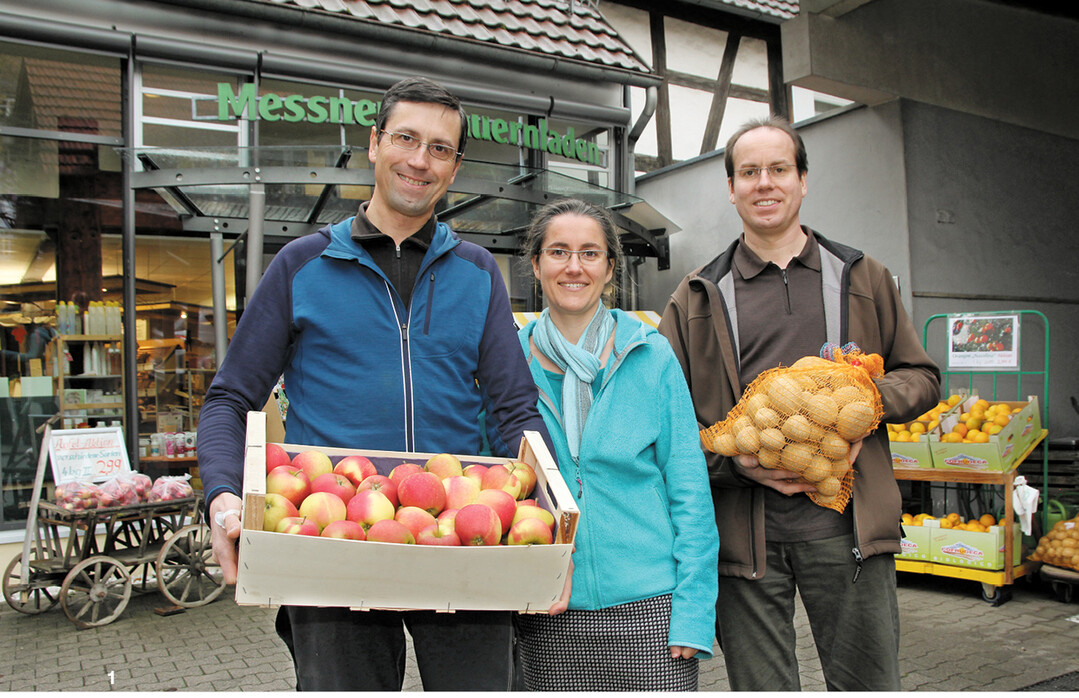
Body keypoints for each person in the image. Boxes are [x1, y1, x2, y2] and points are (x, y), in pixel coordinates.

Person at [197, 76, 550, 692]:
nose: (420, 160)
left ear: (456, 165)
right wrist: (223, 495)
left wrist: (550, 514)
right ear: (374, 143)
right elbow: (231, 397)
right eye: (406, 139)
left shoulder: (477, 271)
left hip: (462, 528)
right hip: (331, 535)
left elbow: (516, 405)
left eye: (440, 148)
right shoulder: (302, 265)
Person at [657, 117, 941, 691]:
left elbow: (923, 376)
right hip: (744, 546)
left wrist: (862, 401)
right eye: (749, 172)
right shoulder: (696, 296)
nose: (765, 183)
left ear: (803, 180)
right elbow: (666, 424)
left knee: (867, 684)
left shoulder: (862, 276)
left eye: (778, 169)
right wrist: (736, 463)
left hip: (849, 535)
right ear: (731, 187)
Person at [515, 198, 719, 691]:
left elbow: (689, 488)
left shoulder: (650, 353)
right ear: (537, 264)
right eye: (559, 251)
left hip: (651, 608)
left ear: (610, 269)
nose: (574, 266)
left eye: (590, 253)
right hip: (547, 603)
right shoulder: (510, 360)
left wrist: (693, 608)